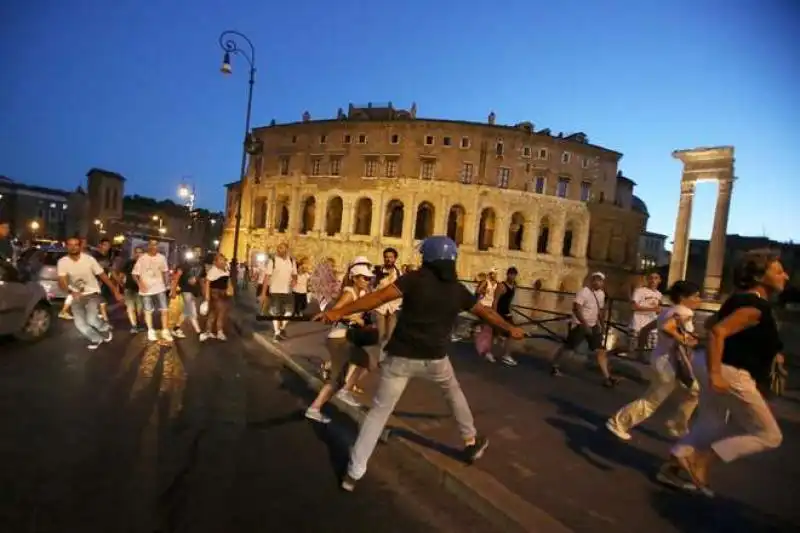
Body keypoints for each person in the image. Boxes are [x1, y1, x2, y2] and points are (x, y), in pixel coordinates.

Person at [315, 236, 525, 492]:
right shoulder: (457, 290)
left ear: (428, 258)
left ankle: (353, 474)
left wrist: (338, 312)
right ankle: (470, 440)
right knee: (453, 392)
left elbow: (378, 298)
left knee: (378, 414)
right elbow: (487, 314)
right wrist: (509, 328)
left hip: (401, 357)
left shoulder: (413, 279)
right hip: (435, 358)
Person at [659, 249, 787, 496]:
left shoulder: (738, 299)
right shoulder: (756, 308)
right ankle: (702, 460)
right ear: (760, 277)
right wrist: (717, 373)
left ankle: (673, 467)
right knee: (770, 435)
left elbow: (710, 324)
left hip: (707, 362)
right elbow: (718, 332)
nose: (786, 276)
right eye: (779, 271)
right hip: (729, 371)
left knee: (712, 420)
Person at [606, 280, 702, 442]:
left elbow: (647, 329)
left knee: (695, 391)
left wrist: (641, 349)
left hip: (661, 359)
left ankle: (678, 424)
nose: (699, 300)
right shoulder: (684, 312)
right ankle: (619, 422)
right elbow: (667, 328)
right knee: (651, 401)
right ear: (684, 297)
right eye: (696, 296)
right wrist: (685, 340)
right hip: (670, 364)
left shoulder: (667, 310)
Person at [305, 257, 377, 422]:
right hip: (338, 339)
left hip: (348, 338)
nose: (367, 280)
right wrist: (354, 318)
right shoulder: (349, 293)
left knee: (367, 362)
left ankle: (345, 390)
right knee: (336, 380)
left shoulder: (363, 292)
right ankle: (315, 408)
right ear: (355, 278)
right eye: (364, 278)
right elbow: (336, 312)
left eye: (369, 278)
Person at [550, 272, 619, 387]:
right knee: (569, 347)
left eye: (600, 280)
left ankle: (608, 378)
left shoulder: (601, 294)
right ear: (592, 280)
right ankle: (555, 364)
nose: (598, 282)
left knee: (600, 351)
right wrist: (585, 324)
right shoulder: (583, 292)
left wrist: (601, 325)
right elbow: (576, 309)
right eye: (596, 280)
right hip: (580, 324)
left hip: (593, 324)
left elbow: (600, 311)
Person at [56, 237, 122, 349]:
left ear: (80, 246)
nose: (73, 247)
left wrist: (115, 291)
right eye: (70, 245)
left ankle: (104, 327)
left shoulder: (89, 259)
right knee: (80, 324)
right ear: (66, 246)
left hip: (92, 292)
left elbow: (103, 276)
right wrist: (70, 291)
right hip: (76, 295)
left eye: (76, 244)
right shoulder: (62, 262)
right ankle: (96, 338)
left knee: (91, 319)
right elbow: (61, 281)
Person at [132, 239, 172, 342]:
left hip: (160, 287)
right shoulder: (142, 258)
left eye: (156, 245)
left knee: (164, 310)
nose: (154, 247)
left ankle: (165, 331)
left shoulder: (162, 258)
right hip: (146, 289)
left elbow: (165, 272)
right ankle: (150, 331)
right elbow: (134, 274)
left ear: (158, 246)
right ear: (148, 246)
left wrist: (167, 285)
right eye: (152, 245)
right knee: (148, 311)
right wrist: (140, 285)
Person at [258, 242, 297, 340]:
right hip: (275, 290)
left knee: (289, 312)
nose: (279, 250)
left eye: (282, 248)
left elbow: (294, 273)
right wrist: (263, 293)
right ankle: (277, 333)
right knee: (276, 313)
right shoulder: (273, 260)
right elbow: (267, 277)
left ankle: (282, 328)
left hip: (287, 290)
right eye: (278, 248)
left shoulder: (292, 261)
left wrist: (295, 280)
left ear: (287, 249)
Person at [372, 247, 402, 357]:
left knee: (390, 335)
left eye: (390, 257)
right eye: (386, 257)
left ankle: (386, 357)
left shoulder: (399, 273)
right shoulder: (377, 272)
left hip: (393, 307)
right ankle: (379, 357)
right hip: (380, 307)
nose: (388, 259)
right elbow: (372, 288)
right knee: (380, 334)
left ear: (395, 259)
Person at [170, 246, 205, 338]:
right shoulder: (185, 264)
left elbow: (202, 279)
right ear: (192, 253)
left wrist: (204, 293)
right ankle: (199, 333)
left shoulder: (201, 265)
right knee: (192, 311)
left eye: (199, 251)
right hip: (185, 290)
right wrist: (173, 290)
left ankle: (176, 329)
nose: (197, 253)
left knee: (186, 311)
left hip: (194, 291)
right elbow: (176, 277)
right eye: (195, 251)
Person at [627, 271, 663, 359]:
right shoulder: (639, 291)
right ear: (647, 280)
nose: (653, 280)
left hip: (651, 326)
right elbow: (633, 306)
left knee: (651, 350)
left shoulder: (659, 294)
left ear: (659, 281)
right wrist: (653, 309)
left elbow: (657, 309)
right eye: (651, 278)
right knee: (633, 349)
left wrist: (659, 311)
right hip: (638, 324)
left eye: (656, 278)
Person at [491, 266, 519, 366]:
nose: (512, 277)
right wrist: (494, 315)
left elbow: (509, 301)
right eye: (511, 274)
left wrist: (511, 312)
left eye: (514, 275)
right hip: (499, 312)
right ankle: (493, 353)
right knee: (495, 334)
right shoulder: (501, 286)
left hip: (507, 313)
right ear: (507, 275)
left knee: (511, 333)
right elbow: (495, 301)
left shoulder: (514, 286)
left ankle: (505, 355)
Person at [200, 253, 232, 341]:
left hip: (223, 293)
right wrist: (207, 298)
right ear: (215, 262)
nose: (223, 262)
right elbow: (207, 283)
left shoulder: (226, 270)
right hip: (215, 293)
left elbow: (227, 281)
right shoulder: (213, 271)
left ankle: (208, 331)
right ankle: (219, 332)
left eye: (224, 260)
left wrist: (229, 289)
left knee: (213, 313)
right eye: (220, 260)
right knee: (221, 312)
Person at [474, 268, 499, 362]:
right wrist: (483, 292)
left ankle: (485, 348)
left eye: (495, 274)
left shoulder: (497, 283)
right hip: (484, 305)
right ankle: (485, 350)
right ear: (490, 274)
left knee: (488, 328)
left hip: (491, 307)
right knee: (487, 328)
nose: (494, 275)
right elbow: (478, 291)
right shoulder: (486, 282)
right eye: (492, 274)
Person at [92, 238, 117, 323]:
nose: (107, 247)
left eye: (109, 246)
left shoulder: (106, 256)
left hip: (103, 281)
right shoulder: (96, 256)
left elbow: (110, 269)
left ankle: (102, 317)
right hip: (97, 281)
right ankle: (104, 319)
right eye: (105, 245)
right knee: (101, 300)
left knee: (103, 300)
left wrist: (118, 281)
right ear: (100, 245)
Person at [120, 247, 145, 332]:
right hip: (129, 288)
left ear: (143, 254)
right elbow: (121, 275)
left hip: (141, 290)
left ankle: (138, 324)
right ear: (134, 253)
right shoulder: (129, 262)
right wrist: (121, 286)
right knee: (130, 308)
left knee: (140, 309)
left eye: (140, 252)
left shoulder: (145, 264)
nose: (138, 254)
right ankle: (134, 326)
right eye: (137, 252)